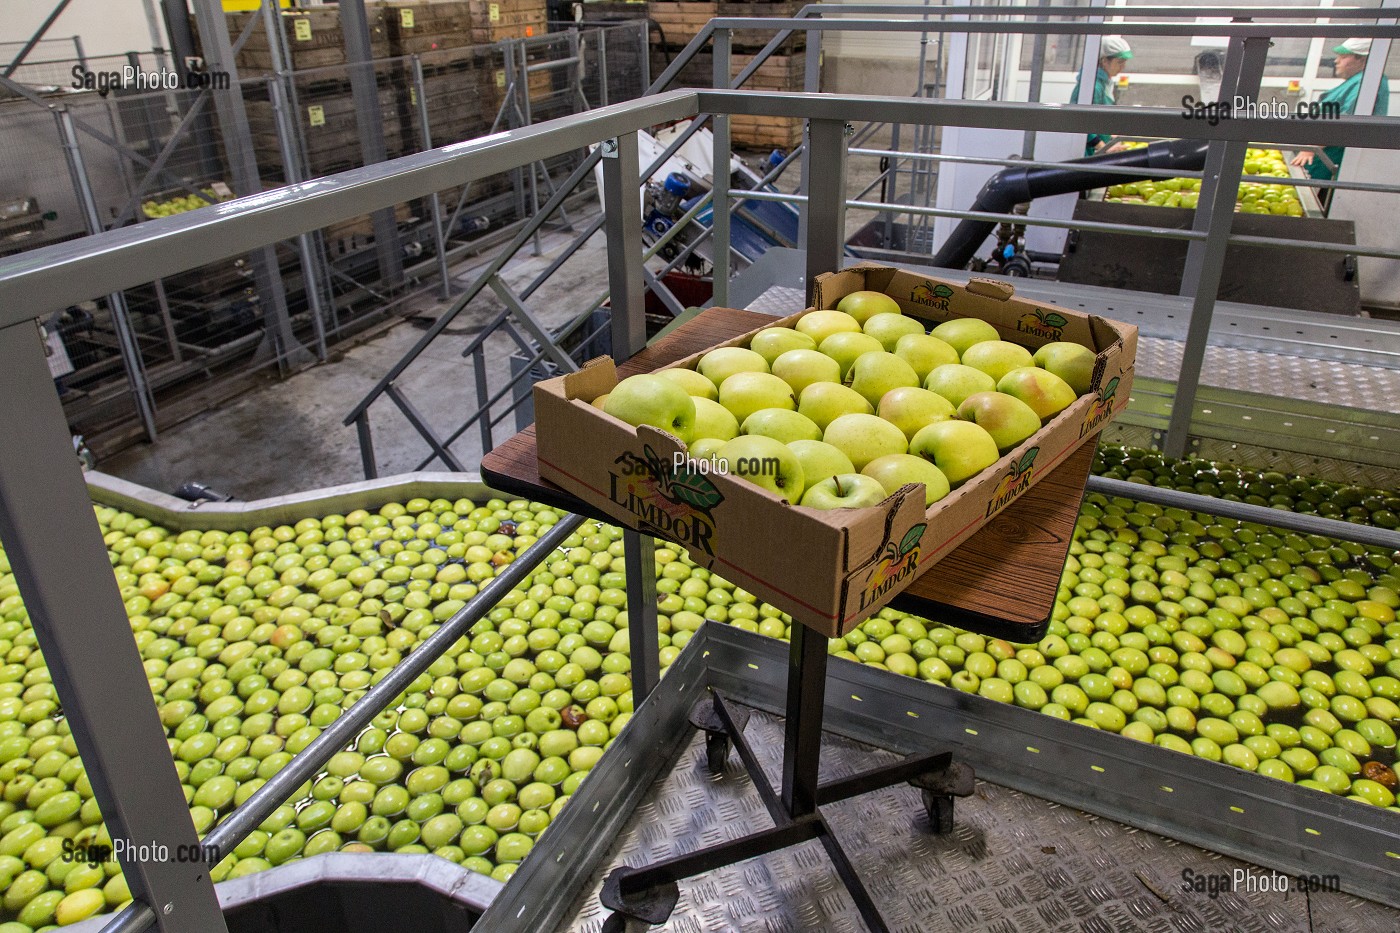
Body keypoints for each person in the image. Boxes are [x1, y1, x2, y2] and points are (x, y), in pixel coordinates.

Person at [1291, 38, 1391, 181]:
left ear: (1362, 60)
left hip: (1331, 155)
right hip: (1323, 153)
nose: (1336, 61)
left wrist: (1311, 148)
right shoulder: (1357, 81)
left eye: (1343, 57)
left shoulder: (1369, 83)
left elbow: (1347, 121)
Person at [1071, 35, 1133, 156]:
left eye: (1124, 62)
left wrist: (1111, 139)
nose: (1123, 67)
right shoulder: (1093, 86)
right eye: (1119, 62)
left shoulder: (1105, 83)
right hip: (1087, 152)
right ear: (1104, 61)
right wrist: (1103, 147)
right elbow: (1080, 120)